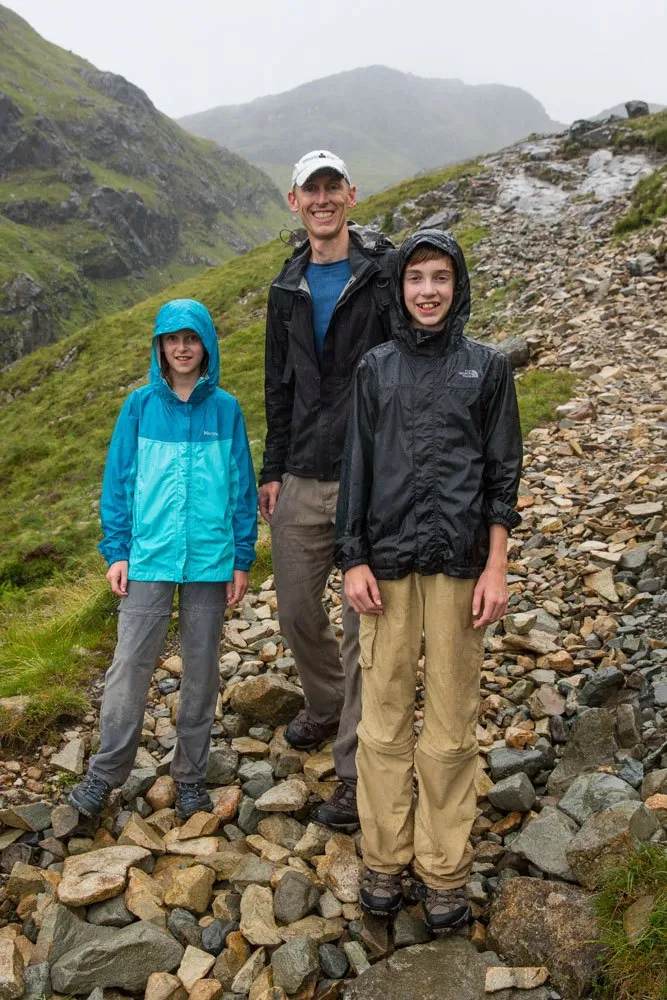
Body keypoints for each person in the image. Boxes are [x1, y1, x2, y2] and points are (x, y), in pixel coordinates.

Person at [335, 229, 523, 931]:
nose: (428, 291)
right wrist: (353, 558)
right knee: (382, 719)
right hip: (385, 568)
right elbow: (355, 469)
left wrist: (496, 565)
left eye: (440, 277)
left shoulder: (488, 368)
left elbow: (502, 473)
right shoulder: (375, 369)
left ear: (457, 286)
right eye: (416, 278)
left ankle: (443, 868)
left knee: (449, 722)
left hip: (460, 569)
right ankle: (383, 858)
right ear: (400, 287)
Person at [69, 298, 257, 821]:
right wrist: (117, 551)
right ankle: (105, 774)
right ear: (159, 346)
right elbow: (118, 480)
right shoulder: (139, 406)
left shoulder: (227, 409)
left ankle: (190, 777)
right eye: (172, 339)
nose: (182, 348)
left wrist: (242, 557)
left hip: (210, 559)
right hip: (148, 556)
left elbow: (241, 488)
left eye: (191, 338)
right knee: (129, 665)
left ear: (206, 345)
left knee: (201, 669)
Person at [258, 150, 395, 832]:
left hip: (371, 476)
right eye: (309, 190)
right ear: (294, 201)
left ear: (350, 194)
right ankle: (327, 701)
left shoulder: (384, 274)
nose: (321, 199)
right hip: (303, 473)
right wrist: (272, 469)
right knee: (293, 610)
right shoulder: (286, 287)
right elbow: (276, 385)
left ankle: (354, 772)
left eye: (330, 187)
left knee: (361, 625)